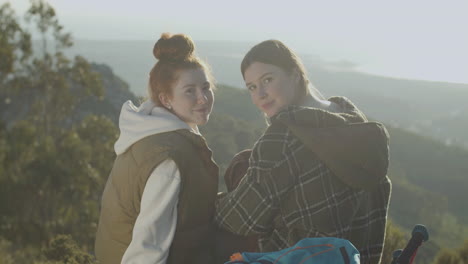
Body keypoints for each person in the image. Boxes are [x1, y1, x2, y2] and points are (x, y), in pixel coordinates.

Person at [215, 39, 391, 264]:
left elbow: (241, 218)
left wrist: (206, 204)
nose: (260, 94)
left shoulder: (283, 136)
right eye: (252, 87)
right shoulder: (352, 120)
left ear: (295, 74)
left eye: (267, 80)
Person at [95, 33, 219, 264]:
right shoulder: (168, 159)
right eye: (189, 91)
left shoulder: (150, 132)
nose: (203, 98)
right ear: (166, 99)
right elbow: (148, 245)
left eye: (206, 87)